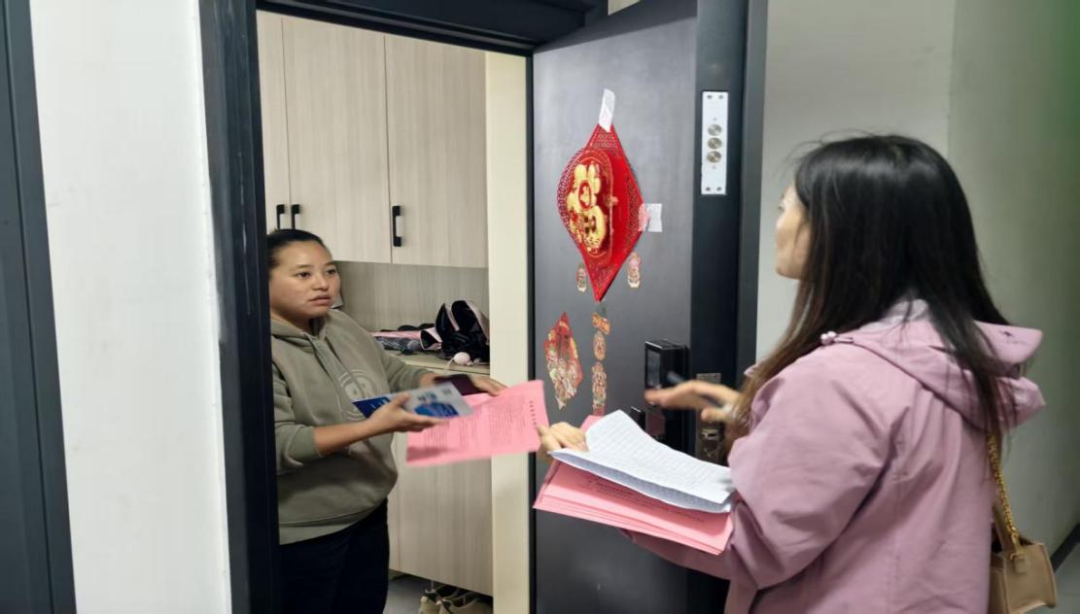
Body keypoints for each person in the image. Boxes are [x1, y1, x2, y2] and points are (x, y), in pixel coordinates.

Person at [538, 135, 1046, 613]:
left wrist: (597, 479)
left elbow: (750, 546)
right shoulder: (951, 355)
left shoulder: (835, 382)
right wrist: (759, 412)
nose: (778, 224)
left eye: (786, 208)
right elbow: (894, 471)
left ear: (835, 233)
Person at [268, 229, 505, 613]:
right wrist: (376, 426)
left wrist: (459, 385)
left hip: (367, 511)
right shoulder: (258, 351)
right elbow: (280, 445)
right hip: (303, 533)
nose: (323, 284)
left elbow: (396, 374)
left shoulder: (340, 325)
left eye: (330, 271)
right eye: (303, 274)